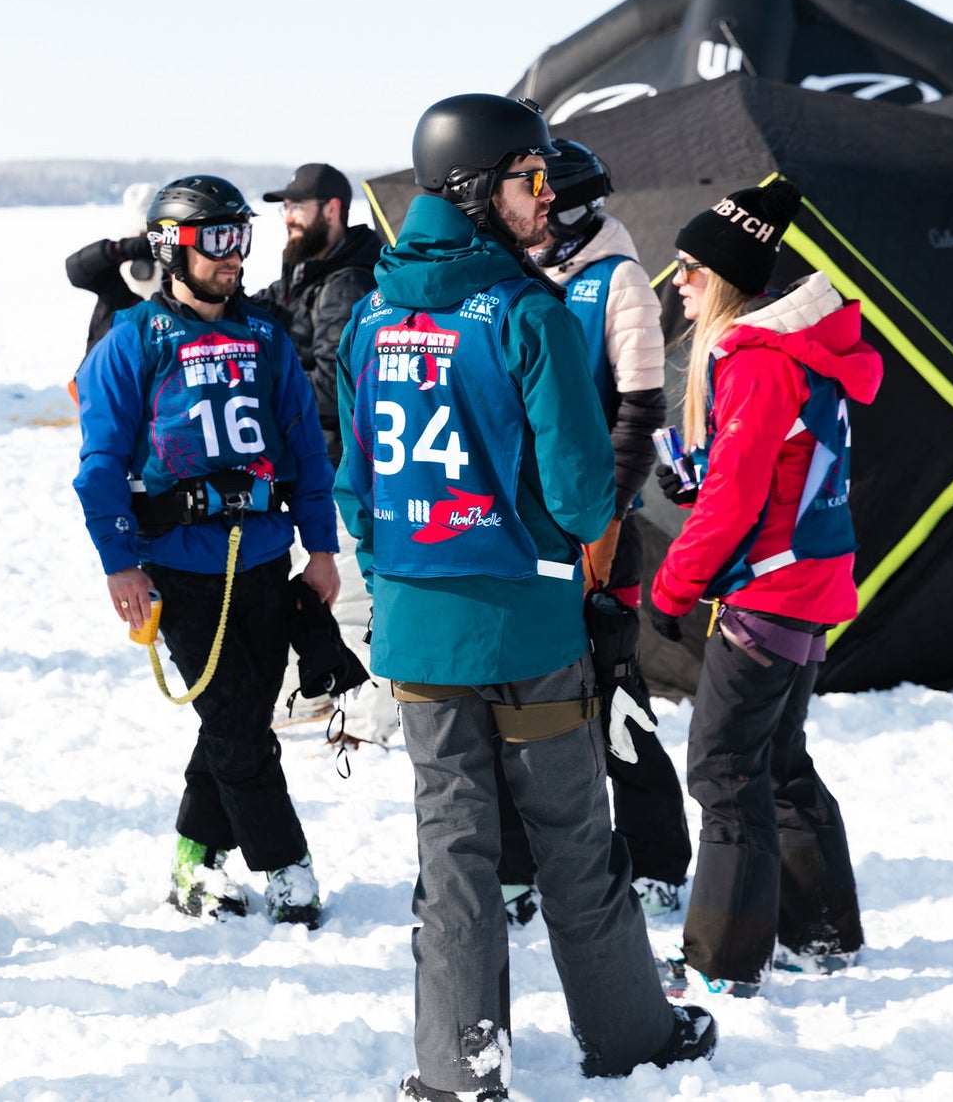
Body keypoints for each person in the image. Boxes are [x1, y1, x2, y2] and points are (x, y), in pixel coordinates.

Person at [336, 97, 714, 1099]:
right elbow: (584, 496)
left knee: (452, 852)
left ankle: (458, 1064)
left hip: (419, 637)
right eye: (530, 178)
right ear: (474, 188)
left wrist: (401, 579)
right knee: (573, 841)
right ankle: (631, 1036)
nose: (547, 198)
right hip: (530, 635)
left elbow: (355, 490)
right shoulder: (527, 314)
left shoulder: (368, 318)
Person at [73, 175, 341, 927]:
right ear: (171, 249)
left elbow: (305, 453)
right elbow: (99, 466)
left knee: (237, 721)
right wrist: (119, 562)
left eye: (241, 238)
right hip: (178, 566)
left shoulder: (267, 339)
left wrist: (321, 548)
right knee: (234, 723)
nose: (234, 256)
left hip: (263, 557)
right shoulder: (132, 342)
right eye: (217, 240)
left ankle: (194, 864)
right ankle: (287, 865)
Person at [649, 180, 879, 998]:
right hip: (810, 582)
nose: (678, 281)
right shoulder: (802, 350)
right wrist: (701, 478)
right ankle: (823, 934)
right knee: (777, 760)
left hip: (771, 593)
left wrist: (670, 590)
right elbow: (772, 473)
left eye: (690, 267)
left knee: (723, 770)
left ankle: (722, 960)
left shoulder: (755, 360)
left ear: (725, 278)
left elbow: (736, 502)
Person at [495, 139, 692, 926]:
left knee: (616, 693)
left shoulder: (620, 281)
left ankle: (657, 858)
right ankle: (516, 867)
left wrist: (602, 522)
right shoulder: (515, 276)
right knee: (515, 701)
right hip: (522, 533)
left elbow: (640, 415)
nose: (537, 211)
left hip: (598, 531)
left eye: (549, 197)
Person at [254, 164, 392, 742]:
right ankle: (308, 693)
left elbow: (337, 386)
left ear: (332, 209)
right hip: (305, 465)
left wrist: (261, 399)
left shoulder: (348, 281)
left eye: (298, 207)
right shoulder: (304, 274)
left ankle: (366, 718)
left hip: (341, 466)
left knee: (352, 594)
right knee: (305, 590)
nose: (288, 217)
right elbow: (250, 313)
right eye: (284, 207)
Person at [65, 182, 160, 353]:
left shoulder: (175, 270)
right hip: (107, 355)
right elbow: (75, 269)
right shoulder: (114, 269)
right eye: (139, 237)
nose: (145, 245)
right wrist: (117, 250)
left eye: (151, 238)